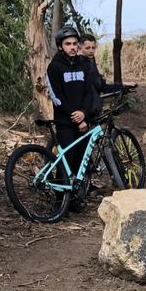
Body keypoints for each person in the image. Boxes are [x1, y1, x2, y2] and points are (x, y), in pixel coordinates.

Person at [46, 26, 102, 209]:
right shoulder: (54, 67)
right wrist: (75, 117)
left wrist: (84, 114)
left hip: (84, 120)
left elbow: (89, 92)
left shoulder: (84, 65)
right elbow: (57, 97)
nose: (72, 47)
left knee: (80, 162)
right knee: (65, 162)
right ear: (60, 46)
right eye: (67, 44)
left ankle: (74, 200)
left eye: (74, 43)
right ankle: (59, 203)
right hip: (65, 122)